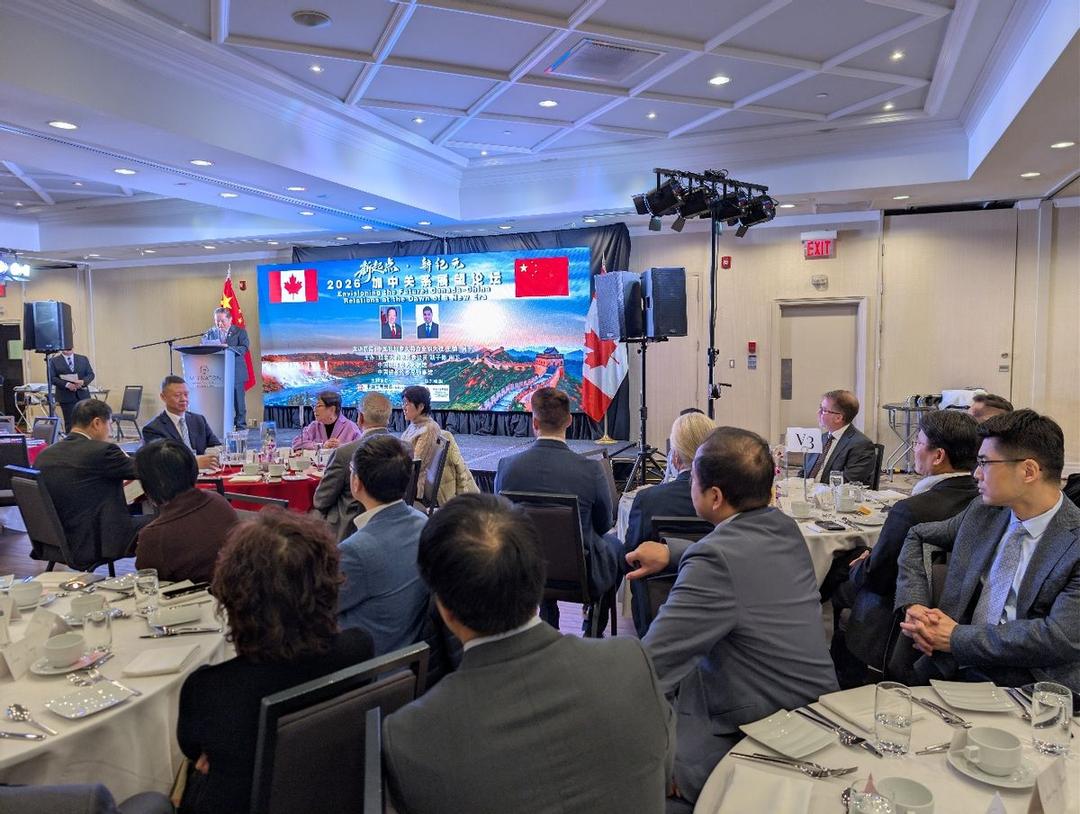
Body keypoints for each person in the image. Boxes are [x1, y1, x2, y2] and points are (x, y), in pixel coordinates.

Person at [383, 493, 674, 814]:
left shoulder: (409, 738)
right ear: (538, 577)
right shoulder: (631, 664)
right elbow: (663, 771)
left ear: (443, 609)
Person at [626, 427, 838, 804]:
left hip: (761, 732)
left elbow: (653, 666)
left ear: (715, 496)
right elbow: (740, 558)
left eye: (692, 477)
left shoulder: (714, 561)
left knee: (629, 767)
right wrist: (673, 553)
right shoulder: (786, 528)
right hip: (813, 710)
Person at [177, 511, 374, 814]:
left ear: (234, 597)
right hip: (334, 796)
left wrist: (222, 755)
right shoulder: (358, 648)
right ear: (328, 585)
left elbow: (193, 750)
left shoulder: (210, 689)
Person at [895, 409, 1080, 691]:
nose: (976, 474)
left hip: (1030, 682)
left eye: (985, 463)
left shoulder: (1073, 540)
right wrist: (915, 604)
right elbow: (917, 535)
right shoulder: (984, 512)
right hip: (950, 665)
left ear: (1028, 471)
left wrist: (956, 638)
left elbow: (1060, 637)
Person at [834, 410, 980, 684]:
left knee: (837, 579)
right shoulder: (982, 502)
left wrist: (862, 564)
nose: (913, 449)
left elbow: (878, 578)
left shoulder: (911, 510)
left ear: (938, 456)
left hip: (896, 618)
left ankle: (841, 668)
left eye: (918, 443)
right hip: (962, 613)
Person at [494, 387, 620, 628]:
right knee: (616, 547)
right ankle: (593, 628)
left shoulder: (507, 467)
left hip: (524, 570)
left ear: (534, 422)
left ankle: (548, 619)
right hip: (580, 573)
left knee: (536, 542)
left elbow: (502, 523)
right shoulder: (591, 470)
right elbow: (604, 524)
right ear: (570, 421)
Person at [624, 411, 716, 636]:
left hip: (656, 613)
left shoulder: (648, 500)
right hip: (715, 610)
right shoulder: (726, 502)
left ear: (674, 457)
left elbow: (632, 555)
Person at [337, 435, 429, 654]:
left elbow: (315, 610)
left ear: (356, 483)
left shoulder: (355, 551)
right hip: (408, 653)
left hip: (367, 664)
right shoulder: (423, 522)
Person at [36, 399, 151, 568]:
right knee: (168, 520)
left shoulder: (45, 454)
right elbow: (147, 469)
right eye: (110, 424)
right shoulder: (102, 451)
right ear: (97, 423)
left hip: (54, 541)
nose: (110, 431)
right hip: (96, 540)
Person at [133, 439, 239, 584]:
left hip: (196, 596)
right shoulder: (218, 501)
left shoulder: (155, 536)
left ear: (151, 484)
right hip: (237, 589)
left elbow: (148, 585)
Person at [313, 391, 397, 540]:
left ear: (360, 417)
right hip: (394, 526)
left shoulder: (344, 454)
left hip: (348, 530)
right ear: (388, 419)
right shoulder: (405, 449)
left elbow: (321, 500)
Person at [141, 376, 221, 469]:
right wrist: (193, 463)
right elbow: (161, 461)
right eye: (177, 395)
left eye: (186, 394)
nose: (183, 399)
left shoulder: (198, 420)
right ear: (163, 397)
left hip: (206, 472)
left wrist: (211, 454)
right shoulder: (153, 429)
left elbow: (216, 445)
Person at [801, 389, 877, 485]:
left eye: (824, 410)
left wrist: (815, 488)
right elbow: (804, 472)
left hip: (831, 493)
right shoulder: (820, 439)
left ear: (838, 418)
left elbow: (848, 481)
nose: (818, 413)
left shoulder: (861, 445)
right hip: (808, 491)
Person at [202, 306, 249, 431]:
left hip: (236, 372)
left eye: (222, 321)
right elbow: (204, 345)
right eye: (217, 321)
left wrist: (228, 348)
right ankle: (220, 428)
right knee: (219, 402)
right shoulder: (210, 332)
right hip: (217, 372)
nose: (219, 324)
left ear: (230, 319)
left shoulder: (239, 332)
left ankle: (241, 428)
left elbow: (244, 348)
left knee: (239, 403)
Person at [291, 390, 361, 451]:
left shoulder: (351, 427)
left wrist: (341, 447)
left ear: (332, 409)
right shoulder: (314, 425)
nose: (314, 410)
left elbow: (360, 448)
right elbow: (296, 443)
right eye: (314, 406)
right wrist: (320, 446)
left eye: (319, 406)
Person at [47, 346, 95, 432]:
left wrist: (83, 382)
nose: (68, 349)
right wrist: (67, 384)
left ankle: (86, 439)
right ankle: (71, 439)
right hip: (66, 397)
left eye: (70, 347)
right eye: (65, 347)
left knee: (87, 421)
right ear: (61, 348)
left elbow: (91, 374)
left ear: (73, 347)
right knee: (70, 423)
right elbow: (52, 378)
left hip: (83, 395)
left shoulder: (83, 359)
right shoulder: (53, 361)